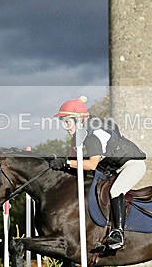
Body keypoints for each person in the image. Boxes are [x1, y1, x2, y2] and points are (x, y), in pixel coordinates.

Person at [50, 95, 146, 250]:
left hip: (132, 165)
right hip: (114, 167)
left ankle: (118, 233)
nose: (65, 126)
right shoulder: (79, 137)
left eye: (67, 122)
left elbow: (91, 164)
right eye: (63, 122)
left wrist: (66, 163)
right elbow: (74, 161)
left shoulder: (92, 137)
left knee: (116, 191)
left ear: (78, 120)